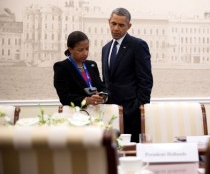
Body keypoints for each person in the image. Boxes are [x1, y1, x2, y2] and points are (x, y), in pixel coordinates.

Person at [102, 8, 153, 143]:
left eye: (121, 25)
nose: (116, 28)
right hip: (110, 114)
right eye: (113, 24)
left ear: (129, 26)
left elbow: (146, 80)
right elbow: (106, 81)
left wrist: (137, 108)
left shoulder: (138, 45)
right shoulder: (105, 48)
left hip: (132, 114)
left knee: (132, 152)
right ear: (109, 22)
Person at [54, 31, 108, 109]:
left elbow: (102, 87)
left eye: (87, 49)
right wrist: (86, 100)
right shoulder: (61, 67)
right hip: (75, 114)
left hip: (95, 111)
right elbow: (64, 97)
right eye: (80, 50)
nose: (85, 53)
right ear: (70, 49)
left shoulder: (92, 65)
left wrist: (103, 96)